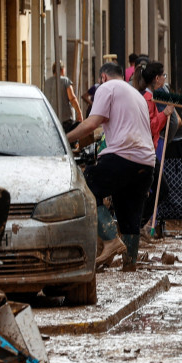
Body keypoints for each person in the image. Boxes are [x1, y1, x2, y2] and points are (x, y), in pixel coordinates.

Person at [65, 62, 157, 270]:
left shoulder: (107, 88)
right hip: (146, 162)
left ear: (103, 77)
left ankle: (110, 241)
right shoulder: (135, 94)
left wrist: (64, 138)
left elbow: (91, 123)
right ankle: (130, 263)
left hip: (122, 156)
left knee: (86, 188)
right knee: (130, 213)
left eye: (99, 81)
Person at [44, 61, 83, 133]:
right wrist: (79, 112)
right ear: (62, 70)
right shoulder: (65, 81)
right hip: (65, 120)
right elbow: (72, 98)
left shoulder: (46, 83)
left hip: (51, 120)